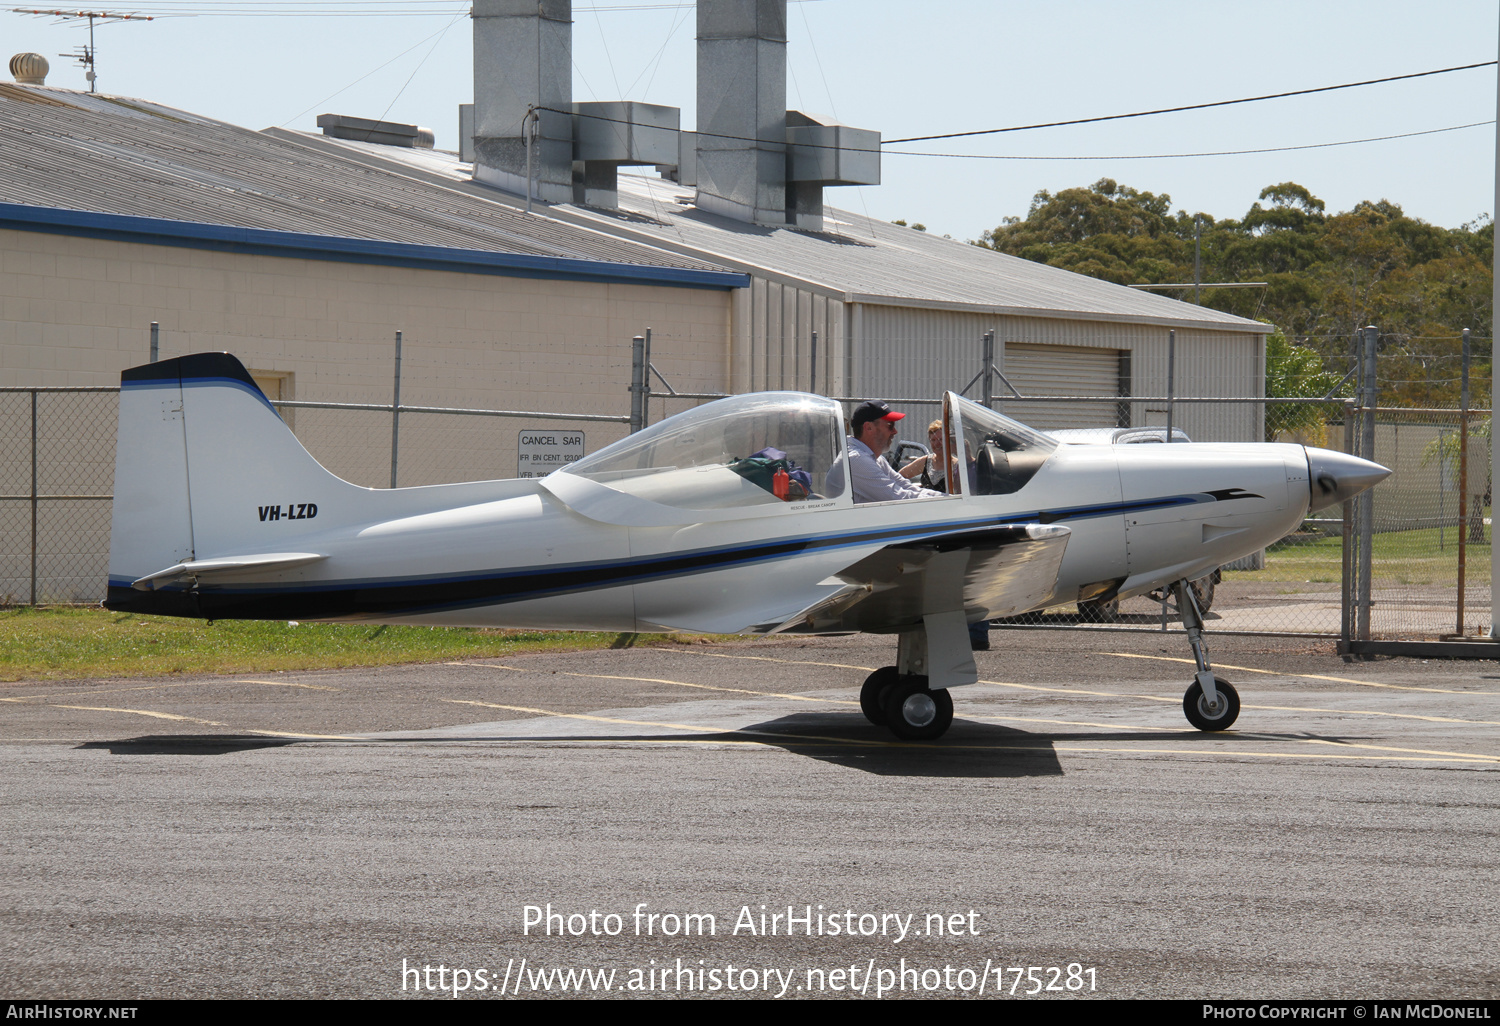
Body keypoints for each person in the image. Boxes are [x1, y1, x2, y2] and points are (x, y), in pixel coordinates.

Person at [847, 400, 943, 504]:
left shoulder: (877, 459)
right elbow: (899, 497)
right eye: (890, 425)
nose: (895, 431)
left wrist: (949, 498)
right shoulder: (857, 460)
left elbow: (906, 486)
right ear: (868, 427)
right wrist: (947, 501)